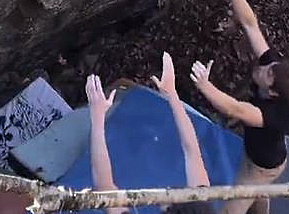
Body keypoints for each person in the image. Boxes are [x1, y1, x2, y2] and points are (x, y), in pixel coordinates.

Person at [190, 0, 289, 214]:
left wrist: (204, 85)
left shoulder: (275, 115)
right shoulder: (273, 70)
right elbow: (250, 24)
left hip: (262, 167)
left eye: (267, 73)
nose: (263, 67)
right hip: (256, 153)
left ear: (273, 92)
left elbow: (236, 110)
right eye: (269, 66)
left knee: (231, 210)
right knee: (259, 195)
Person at [85, 52, 210, 214]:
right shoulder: (200, 207)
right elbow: (192, 150)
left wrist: (97, 118)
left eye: (170, 196)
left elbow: (104, 187)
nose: (169, 189)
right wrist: (171, 93)